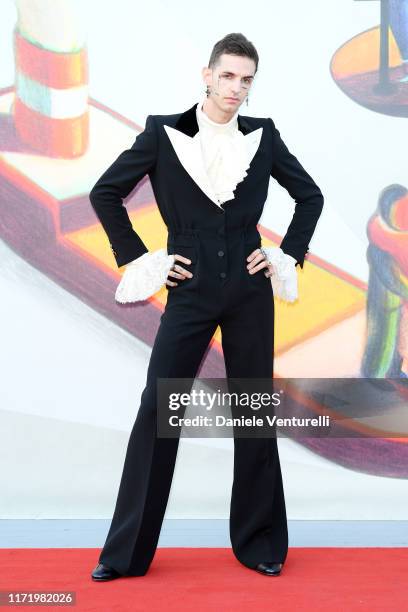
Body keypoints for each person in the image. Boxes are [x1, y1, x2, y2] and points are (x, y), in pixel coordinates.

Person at [89, 32, 324, 581]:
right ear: (207, 74)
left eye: (246, 80)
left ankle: (260, 543)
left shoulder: (263, 137)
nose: (236, 89)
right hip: (190, 290)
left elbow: (310, 196)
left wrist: (283, 256)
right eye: (228, 76)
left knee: (253, 413)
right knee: (160, 410)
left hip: (248, 291)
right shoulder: (162, 133)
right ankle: (124, 555)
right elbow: (106, 192)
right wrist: (143, 261)